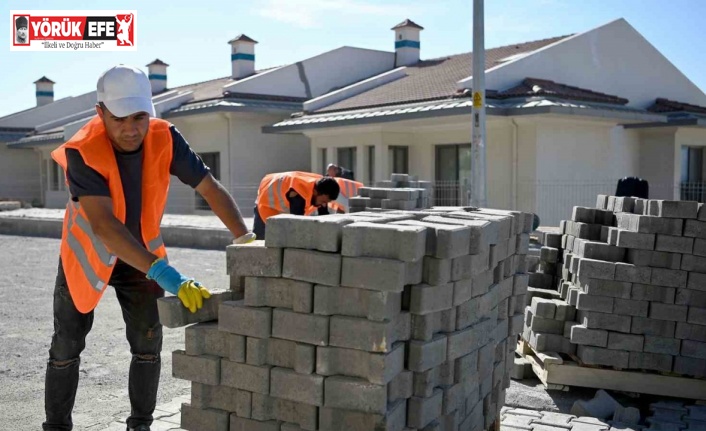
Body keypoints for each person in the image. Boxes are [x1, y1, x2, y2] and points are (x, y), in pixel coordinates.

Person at [43, 65, 255, 431]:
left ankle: (139, 425)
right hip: (88, 255)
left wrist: (245, 238)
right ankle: (57, 428)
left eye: (139, 117)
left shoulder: (165, 138)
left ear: (150, 112)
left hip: (139, 255)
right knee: (67, 347)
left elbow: (208, 186)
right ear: (101, 113)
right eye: (120, 118)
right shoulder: (83, 149)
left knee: (147, 344)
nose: (131, 128)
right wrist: (164, 273)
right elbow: (104, 225)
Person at [252, 172, 340, 239]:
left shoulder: (322, 185)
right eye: (323, 201)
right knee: (262, 240)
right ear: (315, 192)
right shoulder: (298, 193)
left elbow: (324, 215)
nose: (324, 204)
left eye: (327, 202)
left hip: (281, 199)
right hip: (267, 203)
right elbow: (297, 224)